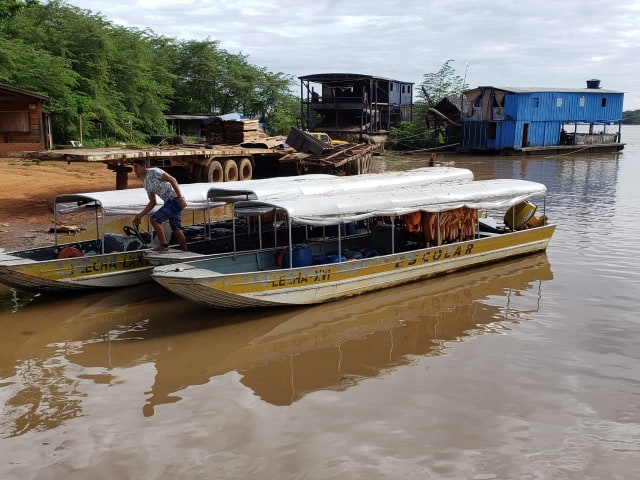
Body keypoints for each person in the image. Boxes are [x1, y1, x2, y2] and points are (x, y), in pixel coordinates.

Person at [131, 158, 188, 252]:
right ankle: (186, 251)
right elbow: (153, 202)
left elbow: (173, 180)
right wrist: (140, 215)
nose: (135, 170)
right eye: (134, 167)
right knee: (176, 228)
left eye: (136, 167)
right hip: (169, 202)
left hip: (175, 200)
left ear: (144, 167)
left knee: (155, 220)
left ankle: (165, 246)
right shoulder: (145, 183)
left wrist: (180, 198)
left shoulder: (154, 171)